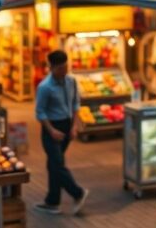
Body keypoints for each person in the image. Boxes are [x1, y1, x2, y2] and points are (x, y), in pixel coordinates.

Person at [33, 50, 89, 215]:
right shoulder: (44, 87)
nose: (64, 71)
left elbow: (75, 104)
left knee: (53, 165)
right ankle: (78, 193)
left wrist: (73, 127)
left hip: (66, 126)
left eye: (66, 67)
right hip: (51, 127)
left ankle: (52, 202)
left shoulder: (71, 81)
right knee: (57, 164)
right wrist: (51, 130)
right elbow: (40, 112)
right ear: (51, 67)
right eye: (60, 69)